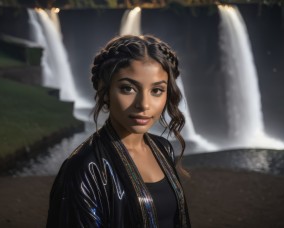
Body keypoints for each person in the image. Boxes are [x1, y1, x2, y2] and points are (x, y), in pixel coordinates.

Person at [46, 35, 191, 228]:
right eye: (128, 88)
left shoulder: (163, 148)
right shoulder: (85, 168)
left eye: (156, 90)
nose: (144, 105)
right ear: (105, 91)